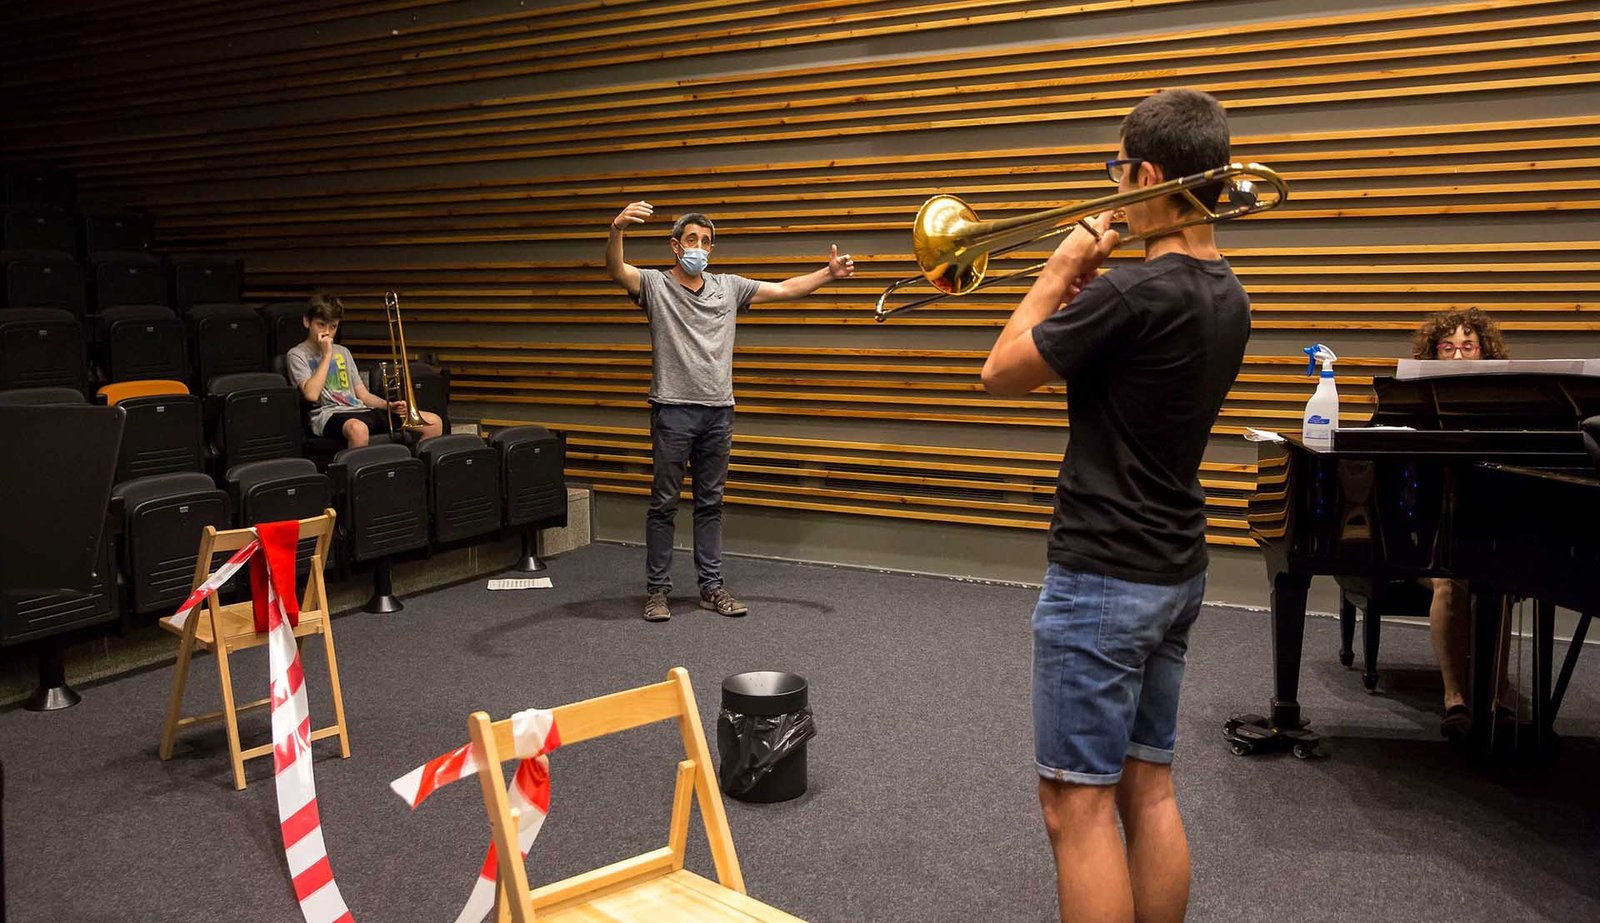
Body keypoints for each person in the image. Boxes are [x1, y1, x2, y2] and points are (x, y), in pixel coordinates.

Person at [981, 89, 1248, 923]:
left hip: (1103, 573)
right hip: (1174, 565)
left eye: (1118, 169)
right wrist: (1089, 293)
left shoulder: (1132, 293)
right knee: (1148, 784)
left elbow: (1000, 369)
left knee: (1075, 805)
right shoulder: (1225, 290)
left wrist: (1060, 270)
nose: (1112, 186)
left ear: (1150, 173)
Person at [606, 204, 854, 622]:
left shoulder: (729, 287)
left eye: (705, 242)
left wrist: (827, 275)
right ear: (674, 246)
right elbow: (616, 269)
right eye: (691, 240)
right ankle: (657, 592)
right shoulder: (654, 285)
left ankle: (711, 587)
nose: (699, 248)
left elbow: (784, 289)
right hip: (672, 410)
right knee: (664, 503)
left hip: (718, 412)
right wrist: (616, 229)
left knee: (710, 504)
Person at [1410, 306, 1509, 742]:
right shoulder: (1416, 404)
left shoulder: (1507, 405)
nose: (1456, 356)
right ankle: (1456, 700)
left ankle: (1495, 698)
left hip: (1483, 528)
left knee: (1500, 582)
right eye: (1447, 347)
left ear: (1484, 351)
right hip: (1424, 537)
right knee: (1449, 583)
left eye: (1467, 346)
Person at [285, 292, 443, 448]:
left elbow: (363, 395)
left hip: (360, 409)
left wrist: (388, 405)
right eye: (321, 325)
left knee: (434, 422)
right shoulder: (297, 354)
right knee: (358, 429)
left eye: (333, 326)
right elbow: (311, 395)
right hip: (327, 415)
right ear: (307, 322)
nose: (327, 332)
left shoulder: (343, 352)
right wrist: (327, 355)